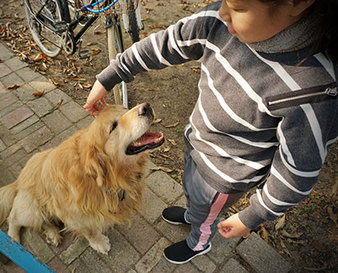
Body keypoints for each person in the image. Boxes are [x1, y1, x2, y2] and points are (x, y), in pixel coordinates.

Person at [84, 0, 338, 265]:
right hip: (197, 144)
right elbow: (166, 43)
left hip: (224, 177)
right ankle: (194, 213)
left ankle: (199, 241)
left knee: (207, 212)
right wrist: (110, 76)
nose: (222, 12)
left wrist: (251, 217)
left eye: (238, 8)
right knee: (195, 195)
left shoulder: (311, 89)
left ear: (296, 3)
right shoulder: (219, 22)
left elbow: (297, 172)